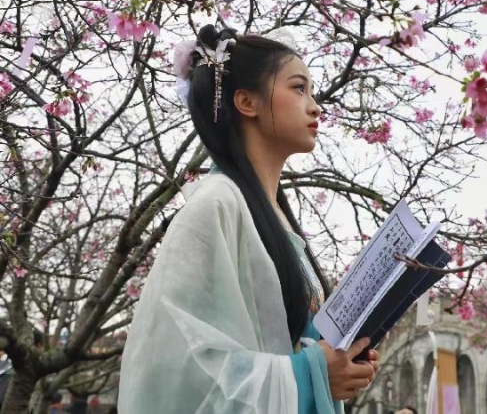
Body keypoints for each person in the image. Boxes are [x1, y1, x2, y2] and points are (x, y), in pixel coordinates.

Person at [118, 25, 380, 413]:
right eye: (298, 88)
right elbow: (179, 370)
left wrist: (340, 361)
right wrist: (311, 374)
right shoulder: (215, 206)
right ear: (246, 101)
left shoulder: (278, 218)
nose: (315, 106)